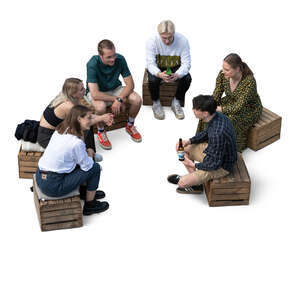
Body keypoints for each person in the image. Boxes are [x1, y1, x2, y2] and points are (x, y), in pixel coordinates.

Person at [36, 105, 109, 216]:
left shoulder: (61, 130)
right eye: (89, 118)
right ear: (79, 119)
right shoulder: (76, 143)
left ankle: (85, 192)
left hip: (40, 176)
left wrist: (85, 152)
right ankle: (90, 205)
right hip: (53, 185)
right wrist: (89, 154)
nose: (91, 121)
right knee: (95, 168)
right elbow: (87, 166)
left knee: (77, 161)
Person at [167, 95, 237, 194]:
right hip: (213, 152)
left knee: (181, 183)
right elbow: (206, 133)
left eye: (195, 109)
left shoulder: (218, 133)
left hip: (221, 165)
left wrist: (194, 164)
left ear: (205, 113)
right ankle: (196, 182)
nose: (193, 110)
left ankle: (192, 183)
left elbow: (214, 164)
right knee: (181, 147)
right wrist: (189, 141)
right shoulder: (214, 116)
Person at [196, 53, 262, 152]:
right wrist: (210, 105)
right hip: (231, 101)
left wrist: (217, 109)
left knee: (229, 119)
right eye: (223, 68)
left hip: (249, 108)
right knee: (206, 113)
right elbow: (217, 94)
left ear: (238, 69)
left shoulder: (249, 81)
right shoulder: (222, 75)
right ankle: (202, 140)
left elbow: (238, 107)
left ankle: (229, 150)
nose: (223, 71)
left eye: (227, 70)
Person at [37, 78, 113, 160]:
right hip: (47, 136)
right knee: (84, 125)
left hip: (56, 130)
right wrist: (102, 118)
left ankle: (90, 152)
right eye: (81, 89)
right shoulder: (68, 105)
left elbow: (86, 115)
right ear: (73, 93)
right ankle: (86, 157)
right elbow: (85, 121)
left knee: (85, 125)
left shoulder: (72, 98)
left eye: (83, 87)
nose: (85, 90)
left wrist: (104, 117)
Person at [86, 39, 142, 150]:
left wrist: (119, 99)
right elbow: (95, 94)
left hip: (115, 88)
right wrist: (116, 99)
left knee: (137, 99)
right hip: (99, 92)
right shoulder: (92, 63)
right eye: (109, 57)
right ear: (100, 55)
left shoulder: (120, 59)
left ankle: (130, 125)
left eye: (114, 55)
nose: (113, 59)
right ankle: (101, 131)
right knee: (100, 106)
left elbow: (130, 84)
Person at [146, 20, 192, 120]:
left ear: (174, 33)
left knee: (187, 78)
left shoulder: (183, 40)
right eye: (164, 38)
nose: (167, 41)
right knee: (152, 80)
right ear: (159, 34)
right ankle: (156, 102)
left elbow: (187, 63)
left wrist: (177, 74)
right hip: (159, 67)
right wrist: (158, 74)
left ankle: (176, 101)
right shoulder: (151, 41)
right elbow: (150, 63)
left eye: (169, 37)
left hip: (174, 67)